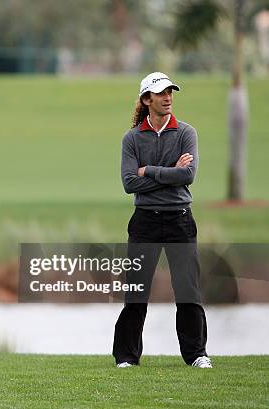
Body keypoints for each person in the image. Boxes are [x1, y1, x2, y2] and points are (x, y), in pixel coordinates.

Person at [113, 73, 212, 368]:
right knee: (137, 292)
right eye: (161, 93)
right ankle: (127, 357)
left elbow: (188, 176)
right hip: (144, 221)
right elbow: (129, 183)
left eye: (171, 92)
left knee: (188, 291)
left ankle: (197, 355)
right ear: (147, 99)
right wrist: (168, 172)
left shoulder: (186, 133)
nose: (168, 97)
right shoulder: (132, 138)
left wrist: (149, 171)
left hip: (180, 220)